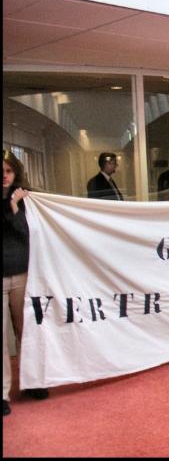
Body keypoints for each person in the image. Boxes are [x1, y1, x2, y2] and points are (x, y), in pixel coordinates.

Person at [3, 150, 49, 417]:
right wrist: (11, 208)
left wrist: (15, 207)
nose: (4, 177)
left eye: (8, 171)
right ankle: (2, 392)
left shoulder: (25, 198)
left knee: (27, 330)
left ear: (15, 172)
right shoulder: (14, 201)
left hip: (22, 274)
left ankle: (32, 382)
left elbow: (25, 232)